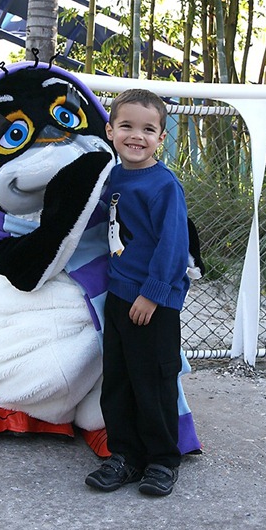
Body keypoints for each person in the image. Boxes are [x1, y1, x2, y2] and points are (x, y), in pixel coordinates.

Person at [85, 88, 190, 496]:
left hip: (152, 302)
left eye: (148, 129)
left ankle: (162, 460)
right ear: (110, 131)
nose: (136, 136)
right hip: (119, 296)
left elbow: (173, 245)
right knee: (119, 380)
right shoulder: (111, 177)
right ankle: (125, 456)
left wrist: (153, 294)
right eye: (127, 126)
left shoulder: (163, 185)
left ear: (161, 138)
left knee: (154, 383)